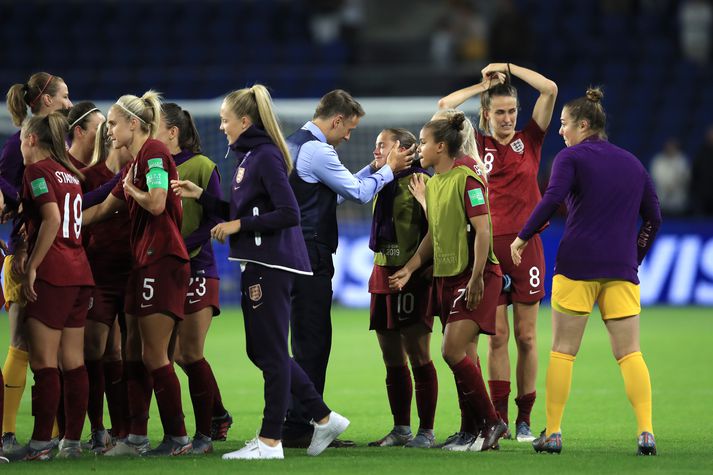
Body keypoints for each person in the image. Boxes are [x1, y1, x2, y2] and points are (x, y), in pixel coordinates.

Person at [171, 84, 350, 460]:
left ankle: (271, 440)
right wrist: (201, 196)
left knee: (269, 352)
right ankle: (322, 417)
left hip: (273, 262)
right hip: (260, 261)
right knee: (261, 350)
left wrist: (239, 227)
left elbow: (289, 213)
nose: (221, 126)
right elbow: (241, 209)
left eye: (225, 120)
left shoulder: (265, 155)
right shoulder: (249, 156)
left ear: (245, 120)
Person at [510, 87, 661, 456]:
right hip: (621, 269)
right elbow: (653, 219)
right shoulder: (633, 163)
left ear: (583, 124)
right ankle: (646, 431)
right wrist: (635, 256)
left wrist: (522, 236)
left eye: (563, 124)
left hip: (577, 265)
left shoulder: (570, 158)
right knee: (630, 354)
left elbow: (552, 198)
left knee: (563, 351)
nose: (560, 132)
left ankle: (555, 432)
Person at [282, 89, 413, 445]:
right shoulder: (319, 149)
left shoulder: (294, 143)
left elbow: (334, 192)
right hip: (312, 253)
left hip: (294, 253)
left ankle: (296, 421)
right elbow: (357, 194)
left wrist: (371, 170)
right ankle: (305, 426)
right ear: (336, 120)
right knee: (313, 341)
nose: (349, 137)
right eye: (349, 129)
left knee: (303, 340)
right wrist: (387, 171)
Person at [438, 63, 557, 441]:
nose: (507, 119)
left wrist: (508, 69)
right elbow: (444, 107)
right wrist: (481, 85)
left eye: (512, 112)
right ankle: (500, 417)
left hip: (528, 247)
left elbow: (550, 89)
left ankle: (525, 418)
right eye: (500, 112)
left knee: (527, 336)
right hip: (488, 250)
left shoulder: (531, 141)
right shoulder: (475, 144)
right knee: (499, 337)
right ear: (486, 115)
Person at [83, 90, 192, 457]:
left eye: (112, 123)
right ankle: (135, 436)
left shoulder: (155, 153)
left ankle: (177, 436)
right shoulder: (135, 163)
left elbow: (158, 204)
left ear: (134, 123)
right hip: (144, 263)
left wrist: (133, 188)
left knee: (153, 354)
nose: (108, 130)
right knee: (132, 350)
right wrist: (65, 223)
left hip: (161, 260)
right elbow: (100, 210)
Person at [390, 112, 507, 452]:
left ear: (441, 147)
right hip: (446, 277)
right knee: (463, 355)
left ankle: (492, 422)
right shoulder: (435, 183)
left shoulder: (467, 178)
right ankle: (471, 430)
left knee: (451, 350)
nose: (419, 148)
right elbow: (433, 234)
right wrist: (412, 268)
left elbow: (484, 229)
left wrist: (475, 279)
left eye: (424, 143)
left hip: (475, 276)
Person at [8, 112, 93, 461]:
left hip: (54, 274)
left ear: (30, 140)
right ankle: (71, 441)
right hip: (80, 272)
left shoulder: (36, 172)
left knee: (43, 362)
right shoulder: (70, 175)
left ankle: (41, 442)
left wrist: (34, 268)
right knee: (73, 361)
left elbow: (53, 218)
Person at [2, 72, 72, 452]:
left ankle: (59, 432)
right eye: (63, 96)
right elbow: (5, 184)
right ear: (45, 99)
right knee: (23, 342)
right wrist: (20, 204)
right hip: (24, 250)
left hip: (52, 254)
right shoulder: (20, 145)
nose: (67, 103)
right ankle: (7, 432)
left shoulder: (56, 146)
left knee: (52, 349)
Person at [155, 102, 230, 453]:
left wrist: (183, 248)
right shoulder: (152, 166)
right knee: (164, 354)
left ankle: (204, 431)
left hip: (197, 268)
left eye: (153, 125)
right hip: (163, 271)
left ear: (172, 131)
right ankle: (214, 417)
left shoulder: (203, 167)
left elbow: (216, 215)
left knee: (188, 353)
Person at [366, 128, 437, 449]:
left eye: (382, 145)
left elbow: (439, 230)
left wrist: (426, 202)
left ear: (404, 150)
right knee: (391, 357)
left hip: (413, 277)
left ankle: (426, 431)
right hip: (382, 272)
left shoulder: (423, 182)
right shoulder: (381, 180)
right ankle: (401, 429)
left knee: (419, 355)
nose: (375, 151)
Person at [81, 120, 133, 453]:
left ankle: (124, 430)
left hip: (132, 272)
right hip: (98, 273)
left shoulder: (137, 172)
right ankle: (98, 429)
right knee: (93, 351)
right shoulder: (91, 176)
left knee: (123, 353)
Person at [649, 138, 690, 216]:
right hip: (662, 199)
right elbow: (656, 177)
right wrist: (668, 185)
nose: (670, 149)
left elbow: (685, 176)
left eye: (673, 147)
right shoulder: (658, 160)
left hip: (679, 201)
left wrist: (674, 184)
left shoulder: (682, 160)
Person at [67, 102, 105, 168]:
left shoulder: (107, 167)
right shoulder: (57, 166)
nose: (105, 134)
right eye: (99, 129)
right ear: (79, 131)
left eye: (105, 128)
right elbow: (42, 177)